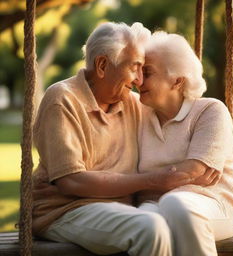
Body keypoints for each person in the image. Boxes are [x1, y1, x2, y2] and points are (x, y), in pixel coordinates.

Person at [32, 22, 207, 256]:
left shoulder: (132, 103)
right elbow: (71, 182)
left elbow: (175, 108)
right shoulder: (62, 99)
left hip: (120, 210)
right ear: (103, 65)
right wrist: (152, 181)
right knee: (150, 229)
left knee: (165, 223)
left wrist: (209, 135)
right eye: (135, 67)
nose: (139, 80)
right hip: (64, 210)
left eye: (143, 70)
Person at [136, 31, 233, 256]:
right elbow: (190, 175)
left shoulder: (210, 111)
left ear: (177, 80)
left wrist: (145, 182)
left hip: (214, 204)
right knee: (143, 224)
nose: (138, 81)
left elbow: (196, 170)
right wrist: (172, 178)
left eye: (146, 73)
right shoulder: (138, 116)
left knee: (176, 204)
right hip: (155, 206)